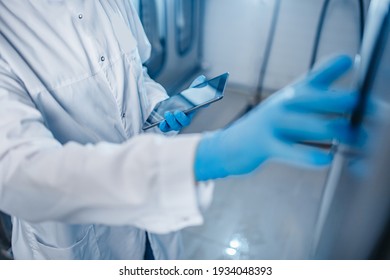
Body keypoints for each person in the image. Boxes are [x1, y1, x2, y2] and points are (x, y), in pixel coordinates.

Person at [0, 1, 357, 260]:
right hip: (76, 244)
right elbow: (20, 173)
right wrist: (212, 154)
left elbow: (136, 72)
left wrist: (159, 106)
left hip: (149, 232)